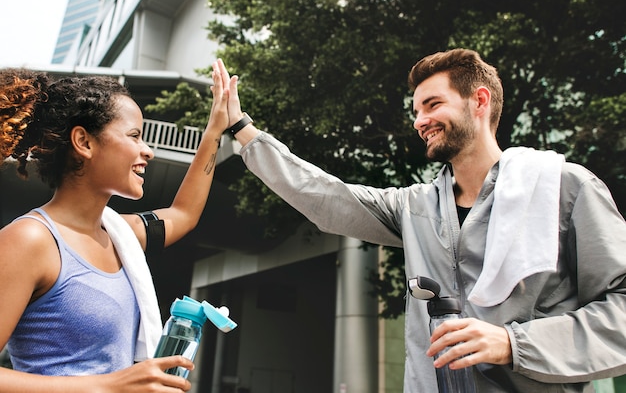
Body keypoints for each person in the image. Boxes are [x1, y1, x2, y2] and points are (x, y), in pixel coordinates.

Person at [211, 52, 626, 392]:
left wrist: (513, 343)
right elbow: (326, 197)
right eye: (416, 110)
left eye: (433, 105)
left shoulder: (563, 187)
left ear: (479, 102)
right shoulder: (414, 207)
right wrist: (243, 130)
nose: (419, 121)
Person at [0, 66, 230, 392]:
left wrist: (214, 131)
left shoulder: (119, 235)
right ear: (84, 141)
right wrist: (109, 385)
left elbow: (184, 214)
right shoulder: (29, 240)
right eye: (134, 136)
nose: (147, 150)